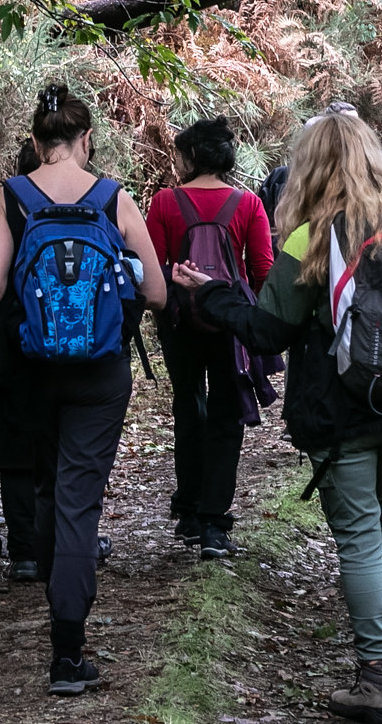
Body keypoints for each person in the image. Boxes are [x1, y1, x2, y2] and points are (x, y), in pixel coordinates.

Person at [173, 111, 382, 724]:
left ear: (310, 167)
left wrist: (209, 291)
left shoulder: (310, 238)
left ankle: (376, 681)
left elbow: (269, 329)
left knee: (358, 535)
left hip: (342, 409)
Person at [0, 85, 167, 696]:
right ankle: (67, 652)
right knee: (78, 500)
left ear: (35, 142)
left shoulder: (10, 196)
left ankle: (59, 626)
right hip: (100, 376)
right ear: (87, 140)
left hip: (31, 372)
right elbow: (158, 293)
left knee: (46, 487)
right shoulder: (114, 198)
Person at [146, 117, 277, 560]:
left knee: (189, 407)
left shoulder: (164, 202)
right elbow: (261, 271)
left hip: (179, 320)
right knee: (226, 416)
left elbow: (153, 271)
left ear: (192, 156)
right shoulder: (248, 204)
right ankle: (214, 526)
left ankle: (187, 511)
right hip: (230, 321)